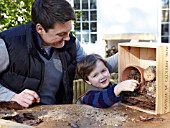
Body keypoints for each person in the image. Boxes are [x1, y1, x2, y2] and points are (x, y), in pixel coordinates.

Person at [0, 0, 118, 108]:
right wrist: (11, 97)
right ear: (40, 29)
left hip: (56, 115)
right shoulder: (7, 44)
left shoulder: (71, 43)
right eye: (61, 34)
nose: (68, 38)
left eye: (69, 32)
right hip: (15, 117)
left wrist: (127, 54)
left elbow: (92, 69)